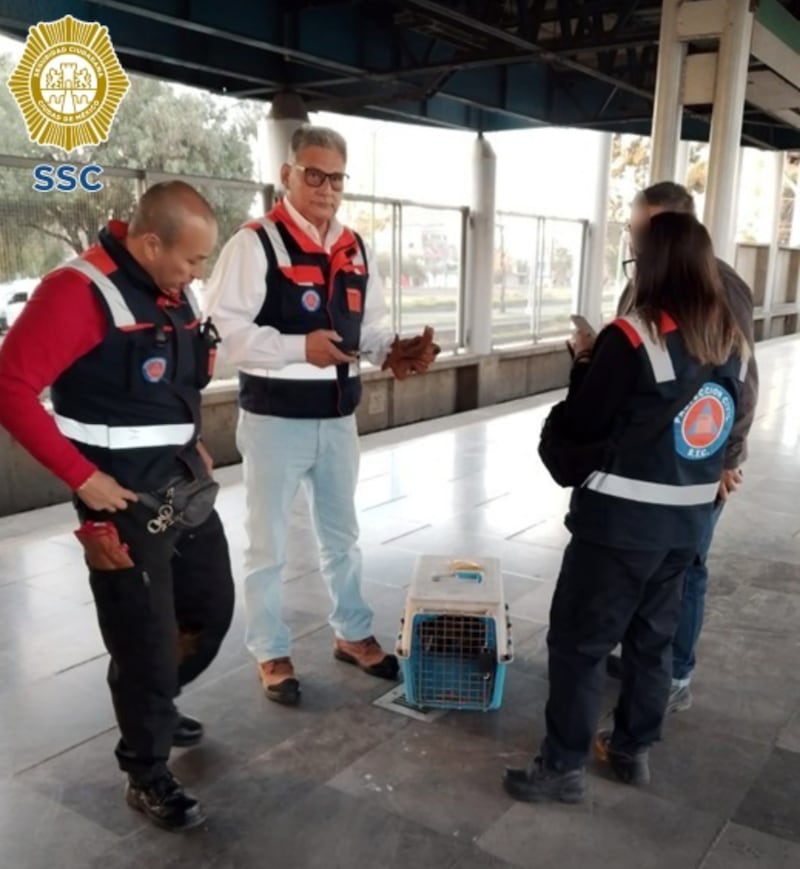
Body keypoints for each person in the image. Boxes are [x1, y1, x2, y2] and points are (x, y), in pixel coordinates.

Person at [0, 182, 235, 832]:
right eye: (191, 261)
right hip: (120, 501)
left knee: (210, 611)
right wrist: (83, 478)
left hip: (181, 484)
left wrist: (195, 442)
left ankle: (153, 699)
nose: (198, 275)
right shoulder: (77, 293)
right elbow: (9, 385)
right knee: (146, 641)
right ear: (151, 241)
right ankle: (146, 768)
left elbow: (175, 380)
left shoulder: (165, 285)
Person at [504, 212, 749, 803]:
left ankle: (562, 767)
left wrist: (585, 361)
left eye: (635, 258)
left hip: (617, 529)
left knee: (581, 644)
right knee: (651, 643)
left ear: (654, 265)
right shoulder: (730, 340)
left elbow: (585, 422)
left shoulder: (634, 335)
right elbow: (719, 426)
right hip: (685, 529)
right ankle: (632, 750)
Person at [203, 124, 437, 705]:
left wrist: (393, 350)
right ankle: (270, 648)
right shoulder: (255, 244)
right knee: (268, 544)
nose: (326, 188)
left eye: (336, 177)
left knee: (343, 536)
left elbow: (372, 325)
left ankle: (352, 633)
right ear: (287, 175)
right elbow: (224, 334)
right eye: (314, 174)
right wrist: (293, 347)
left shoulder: (354, 246)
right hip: (274, 420)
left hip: (337, 418)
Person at [606, 182, 759, 713]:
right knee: (645, 564)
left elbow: (740, 378)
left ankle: (675, 672)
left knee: (686, 566)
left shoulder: (722, 287)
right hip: (649, 460)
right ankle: (644, 658)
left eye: (640, 230)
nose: (633, 240)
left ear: (673, 227)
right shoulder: (647, 277)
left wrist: (726, 458)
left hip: (694, 462)